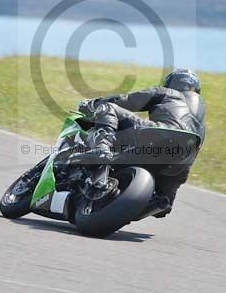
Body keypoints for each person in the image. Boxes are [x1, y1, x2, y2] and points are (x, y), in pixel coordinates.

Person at [77, 68, 206, 217]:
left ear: (171, 83)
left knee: (108, 108)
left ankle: (102, 148)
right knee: (163, 204)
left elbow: (127, 100)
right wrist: (168, 195)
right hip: (179, 165)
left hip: (158, 135)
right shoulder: (202, 127)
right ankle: (157, 201)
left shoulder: (168, 93)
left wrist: (93, 103)